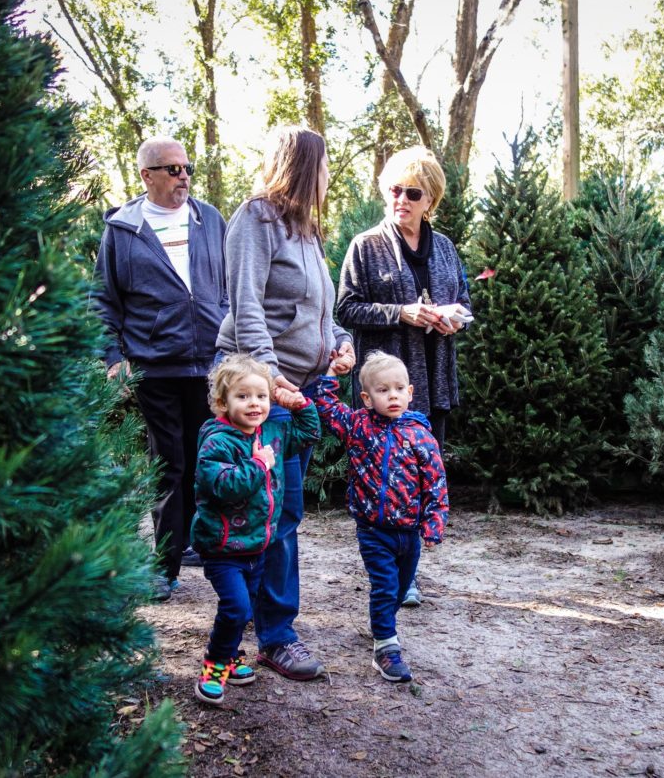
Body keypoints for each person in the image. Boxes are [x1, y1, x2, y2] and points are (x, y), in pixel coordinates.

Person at [216, 125, 355, 681]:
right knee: (265, 511)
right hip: (259, 392)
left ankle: (263, 623)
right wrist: (270, 380)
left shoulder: (308, 231)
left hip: (298, 393)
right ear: (302, 167)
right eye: (322, 166)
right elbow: (246, 307)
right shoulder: (256, 218)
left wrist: (341, 344)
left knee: (285, 512)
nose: (328, 177)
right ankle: (273, 635)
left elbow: (320, 313)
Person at [335, 145, 470, 607]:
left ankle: (408, 571)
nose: (402, 199)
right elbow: (346, 307)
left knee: (420, 477)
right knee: (384, 480)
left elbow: (465, 301)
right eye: (395, 190)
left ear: (430, 199)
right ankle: (388, 572)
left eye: (413, 192)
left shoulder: (447, 249)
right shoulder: (366, 246)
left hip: (433, 380)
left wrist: (454, 317)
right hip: (384, 385)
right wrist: (402, 313)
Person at [93, 136, 227, 599]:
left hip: (210, 364)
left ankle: (195, 543)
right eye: (172, 169)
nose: (183, 176)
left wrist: (229, 340)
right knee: (168, 464)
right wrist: (114, 357)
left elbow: (226, 285)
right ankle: (164, 567)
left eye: (187, 167)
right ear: (146, 176)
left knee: (204, 461)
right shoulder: (123, 229)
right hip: (156, 366)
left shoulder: (209, 218)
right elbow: (104, 300)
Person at [190, 354, 321, 704]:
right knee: (237, 609)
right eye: (243, 396)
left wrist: (299, 402)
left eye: (261, 396)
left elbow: (309, 432)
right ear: (222, 403)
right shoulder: (217, 441)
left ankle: (231, 657)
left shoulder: (273, 432)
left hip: (256, 546)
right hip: (223, 547)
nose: (254, 404)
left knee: (244, 605)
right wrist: (257, 464)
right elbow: (223, 486)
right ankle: (214, 667)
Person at [312, 351, 448, 682]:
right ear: (367, 397)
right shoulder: (358, 426)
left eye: (399, 389)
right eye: (383, 390)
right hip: (373, 529)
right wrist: (331, 373)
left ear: (410, 393)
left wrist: (433, 523)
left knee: (400, 589)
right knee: (385, 587)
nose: (393, 396)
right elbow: (327, 407)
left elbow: (435, 482)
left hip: (409, 531)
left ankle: (382, 622)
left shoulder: (419, 434)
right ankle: (386, 647)